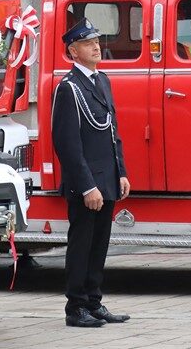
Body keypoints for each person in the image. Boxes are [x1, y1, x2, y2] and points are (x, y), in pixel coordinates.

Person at [51, 17, 131, 327]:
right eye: (88, 43)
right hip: (86, 183)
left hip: (106, 178)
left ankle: (94, 302)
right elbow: (67, 144)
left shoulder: (102, 80)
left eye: (96, 41)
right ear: (73, 51)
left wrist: (120, 172)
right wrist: (87, 186)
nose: (96, 47)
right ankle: (76, 307)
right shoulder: (69, 88)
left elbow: (112, 131)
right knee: (82, 244)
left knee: (99, 245)